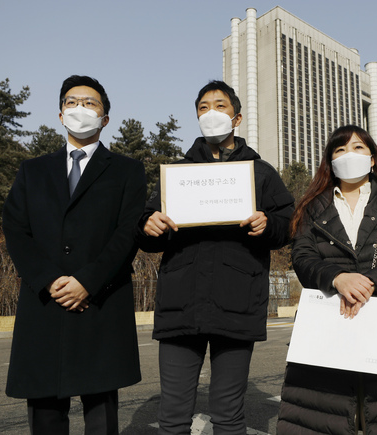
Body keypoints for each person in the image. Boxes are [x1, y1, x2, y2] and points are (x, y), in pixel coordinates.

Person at [137, 80, 294, 435]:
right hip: (181, 303)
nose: (211, 114)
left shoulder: (261, 172)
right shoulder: (175, 175)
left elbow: (288, 223)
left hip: (237, 303)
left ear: (236, 118)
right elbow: (144, 230)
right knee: (173, 417)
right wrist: (149, 225)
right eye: (203, 108)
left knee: (228, 415)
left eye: (220, 106)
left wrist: (268, 224)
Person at [2, 75, 146, 434]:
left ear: (105, 118)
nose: (80, 109)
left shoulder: (128, 170)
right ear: (60, 114)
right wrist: (49, 280)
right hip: (45, 304)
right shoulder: (32, 170)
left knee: (101, 416)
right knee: (45, 415)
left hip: (100, 302)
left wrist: (88, 280)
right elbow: (16, 230)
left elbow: (127, 233)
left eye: (90, 103)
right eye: (71, 102)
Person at [277, 125, 377, 434]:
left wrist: (368, 283)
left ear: (373, 159)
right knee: (323, 415)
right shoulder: (311, 207)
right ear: (330, 161)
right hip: (327, 320)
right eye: (340, 150)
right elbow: (303, 257)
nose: (350, 155)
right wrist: (337, 278)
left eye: (359, 148)